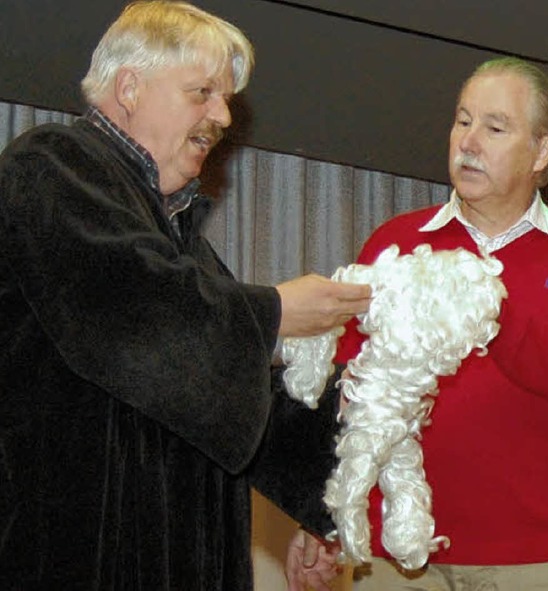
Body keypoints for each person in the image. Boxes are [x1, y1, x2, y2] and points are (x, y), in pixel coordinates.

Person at [0, 1, 371, 589]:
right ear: (129, 87)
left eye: (224, 99)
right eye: (202, 92)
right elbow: (137, 317)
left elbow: (228, 393)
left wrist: (336, 459)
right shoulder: (50, 167)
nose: (223, 116)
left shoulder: (181, 245)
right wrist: (275, 313)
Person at [287, 56, 548, 590]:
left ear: (542, 151)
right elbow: (345, 389)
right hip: (396, 561)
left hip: (546, 563)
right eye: (462, 120)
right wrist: (318, 514)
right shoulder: (396, 242)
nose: (469, 141)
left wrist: (492, 314)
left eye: (495, 127)